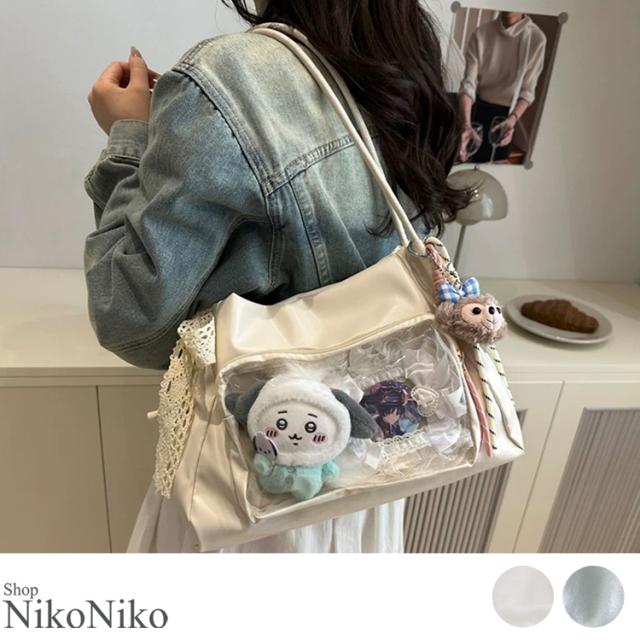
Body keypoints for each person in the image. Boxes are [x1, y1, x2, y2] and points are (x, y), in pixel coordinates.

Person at [84, 0, 469, 553]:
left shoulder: (230, 77)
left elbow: (131, 319)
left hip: (253, 476)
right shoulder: (408, 66)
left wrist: (129, 136)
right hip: (370, 469)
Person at [458, 12, 546, 163]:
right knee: (467, 164)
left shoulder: (537, 39)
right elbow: (468, 84)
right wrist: (466, 125)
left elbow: (527, 91)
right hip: (477, 111)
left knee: (495, 168)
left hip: (506, 118)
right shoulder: (481, 33)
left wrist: (512, 120)